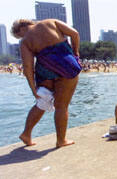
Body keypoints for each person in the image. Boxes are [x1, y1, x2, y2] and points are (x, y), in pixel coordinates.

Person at [12, 19, 82, 147]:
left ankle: (26, 134)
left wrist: (33, 88)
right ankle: (61, 140)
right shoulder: (51, 22)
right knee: (61, 106)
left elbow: (28, 67)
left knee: (42, 101)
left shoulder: (25, 41)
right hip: (65, 63)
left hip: (44, 69)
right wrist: (75, 52)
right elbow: (75, 34)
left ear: (21, 28)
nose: (20, 37)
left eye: (18, 35)